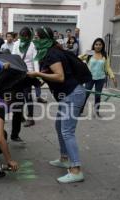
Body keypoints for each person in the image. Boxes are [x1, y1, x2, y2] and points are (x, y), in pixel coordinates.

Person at [27, 26, 85, 183]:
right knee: (60, 126)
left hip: (72, 95)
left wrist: (38, 74)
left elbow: (59, 77)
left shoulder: (52, 53)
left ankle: (76, 169)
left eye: (37, 38)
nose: (34, 40)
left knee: (67, 131)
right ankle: (64, 158)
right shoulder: (49, 52)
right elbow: (50, 76)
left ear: (45, 39)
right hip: (67, 95)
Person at [12, 27, 46, 128]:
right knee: (19, 96)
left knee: (28, 96)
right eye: (22, 36)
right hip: (18, 74)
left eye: (26, 36)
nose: (24, 38)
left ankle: (30, 118)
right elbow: (14, 58)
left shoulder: (32, 45)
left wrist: (37, 74)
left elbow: (35, 60)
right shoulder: (16, 44)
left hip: (29, 74)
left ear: (29, 36)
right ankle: (21, 115)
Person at [79, 38, 117, 117]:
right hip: (90, 78)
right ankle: (79, 111)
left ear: (102, 46)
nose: (98, 46)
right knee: (86, 94)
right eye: (96, 44)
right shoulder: (90, 53)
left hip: (100, 78)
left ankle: (96, 112)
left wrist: (112, 77)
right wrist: (84, 55)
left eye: (100, 44)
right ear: (94, 45)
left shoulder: (105, 55)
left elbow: (107, 67)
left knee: (98, 96)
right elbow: (79, 58)